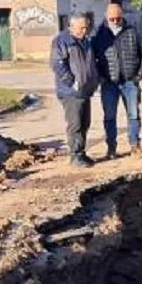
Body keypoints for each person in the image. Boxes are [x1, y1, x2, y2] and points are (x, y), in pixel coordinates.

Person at [92, 1, 142, 159]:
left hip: (130, 82)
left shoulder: (132, 31)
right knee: (110, 116)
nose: (116, 21)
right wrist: (101, 77)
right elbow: (93, 59)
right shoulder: (100, 34)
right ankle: (111, 148)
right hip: (109, 83)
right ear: (106, 17)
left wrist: (140, 74)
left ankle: (135, 145)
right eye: (112, 19)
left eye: (118, 18)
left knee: (133, 115)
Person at [51, 13, 100, 168]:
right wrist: (72, 82)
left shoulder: (86, 40)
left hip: (85, 91)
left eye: (86, 27)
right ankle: (75, 156)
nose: (84, 31)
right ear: (71, 27)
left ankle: (81, 153)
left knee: (85, 123)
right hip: (71, 93)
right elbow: (57, 65)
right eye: (81, 28)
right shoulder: (62, 41)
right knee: (76, 124)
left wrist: (94, 80)